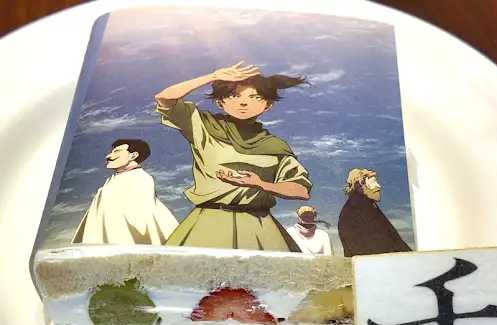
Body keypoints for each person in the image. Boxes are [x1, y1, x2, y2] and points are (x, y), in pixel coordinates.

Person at [154, 62, 312, 252]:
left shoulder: (275, 145)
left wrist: (260, 184)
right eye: (234, 96)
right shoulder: (203, 126)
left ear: (268, 105)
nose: (244, 103)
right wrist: (212, 76)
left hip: (260, 226)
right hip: (209, 223)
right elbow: (164, 98)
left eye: (255, 97)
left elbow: (301, 191)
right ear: (220, 102)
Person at [72, 139, 179, 244]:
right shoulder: (111, 181)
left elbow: (142, 217)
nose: (108, 156)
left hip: (130, 242)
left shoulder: (141, 178)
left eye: (117, 151)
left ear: (133, 156)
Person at [337, 168, 411, 257]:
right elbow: (380, 246)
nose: (378, 186)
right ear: (360, 182)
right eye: (373, 182)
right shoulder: (358, 209)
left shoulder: (365, 205)